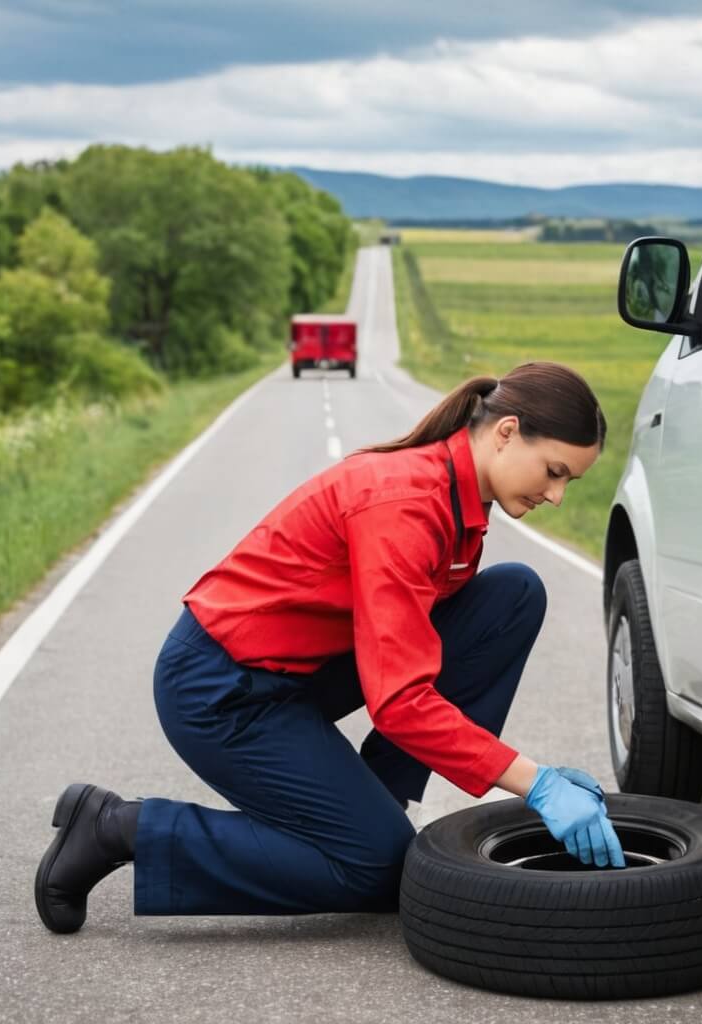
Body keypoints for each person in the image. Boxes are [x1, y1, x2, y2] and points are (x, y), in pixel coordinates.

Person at [35, 361, 626, 935]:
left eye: (568, 482)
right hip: (221, 692)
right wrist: (535, 780)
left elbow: (414, 648)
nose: (557, 497)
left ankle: (378, 806)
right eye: (554, 471)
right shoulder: (406, 502)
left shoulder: (455, 495)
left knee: (514, 596)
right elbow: (399, 699)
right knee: (378, 866)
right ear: (506, 433)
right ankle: (117, 827)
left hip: (302, 674)